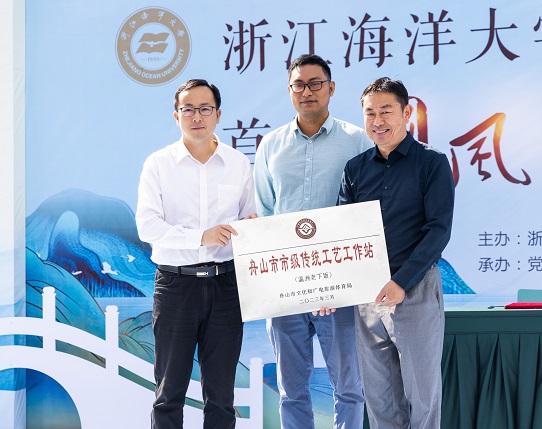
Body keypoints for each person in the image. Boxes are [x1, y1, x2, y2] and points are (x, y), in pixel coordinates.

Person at [253, 54, 371, 429]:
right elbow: (265, 211)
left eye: (315, 83)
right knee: (291, 390)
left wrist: (345, 278)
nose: (307, 91)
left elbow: (366, 213)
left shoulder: (357, 141)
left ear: (331, 88)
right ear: (290, 91)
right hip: (285, 284)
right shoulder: (270, 145)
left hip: (339, 284)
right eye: (299, 85)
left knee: (349, 388)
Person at [136, 78, 256, 429]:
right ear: (176, 116)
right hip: (176, 285)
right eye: (188, 109)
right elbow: (147, 226)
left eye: (205, 108)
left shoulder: (238, 163)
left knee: (221, 396)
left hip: (226, 285)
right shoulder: (158, 164)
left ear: (218, 114)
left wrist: (252, 227)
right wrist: (200, 238)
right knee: (169, 391)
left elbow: (249, 219)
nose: (197, 116)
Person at [338, 77, 455, 429]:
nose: (377, 121)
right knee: (380, 400)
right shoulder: (355, 168)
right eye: (369, 113)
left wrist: (401, 281)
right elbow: (342, 234)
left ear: (406, 113)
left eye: (386, 111)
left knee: (423, 397)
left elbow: (438, 230)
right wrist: (329, 287)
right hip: (368, 295)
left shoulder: (432, 162)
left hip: (414, 288)